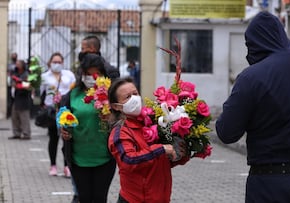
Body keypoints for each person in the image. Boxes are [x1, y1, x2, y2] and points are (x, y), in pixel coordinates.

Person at [216, 11, 290, 203]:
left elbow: (226, 132)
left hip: (269, 185)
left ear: (255, 44)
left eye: (249, 46)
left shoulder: (252, 77)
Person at [107, 77, 189, 203]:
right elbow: (129, 160)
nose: (134, 98)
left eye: (135, 93)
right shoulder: (120, 132)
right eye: (127, 97)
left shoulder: (150, 123)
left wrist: (178, 154)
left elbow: (156, 161)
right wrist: (161, 149)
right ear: (116, 106)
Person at [60, 53, 116, 203]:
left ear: (103, 74)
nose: (91, 78)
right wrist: (63, 130)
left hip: (104, 158)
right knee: (83, 198)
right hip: (78, 159)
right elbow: (63, 117)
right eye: (87, 74)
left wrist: (112, 118)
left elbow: (123, 120)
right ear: (81, 74)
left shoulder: (112, 94)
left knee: (99, 198)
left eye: (95, 74)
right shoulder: (72, 95)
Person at [40, 52, 76, 177]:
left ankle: (67, 166)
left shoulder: (69, 75)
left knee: (67, 138)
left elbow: (74, 89)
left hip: (66, 110)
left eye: (59, 62)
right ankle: (53, 165)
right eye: (54, 62)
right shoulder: (45, 76)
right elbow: (41, 93)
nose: (57, 64)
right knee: (53, 138)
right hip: (51, 111)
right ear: (50, 62)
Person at [8, 59, 32, 140]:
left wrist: (19, 84)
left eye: (18, 64)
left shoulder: (26, 74)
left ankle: (26, 134)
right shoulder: (15, 72)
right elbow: (11, 81)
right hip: (16, 97)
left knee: (24, 117)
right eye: (16, 64)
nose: (17, 65)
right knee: (14, 116)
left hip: (23, 98)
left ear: (22, 65)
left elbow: (28, 85)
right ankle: (16, 133)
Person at [7, 53, 17, 118]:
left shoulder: (18, 64)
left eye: (15, 56)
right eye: (13, 56)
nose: (13, 57)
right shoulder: (9, 65)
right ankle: (9, 114)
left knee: (16, 99)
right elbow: (8, 73)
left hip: (17, 83)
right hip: (10, 83)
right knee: (10, 99)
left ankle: (15, 114)